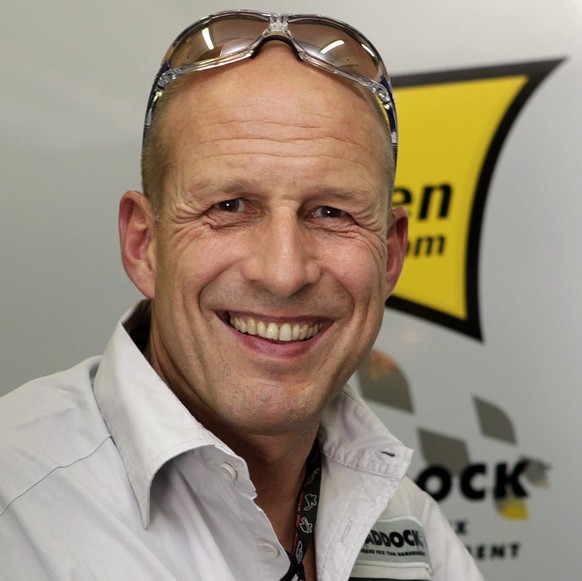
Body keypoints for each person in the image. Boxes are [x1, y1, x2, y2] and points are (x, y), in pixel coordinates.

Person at [0, 10, 484, 581]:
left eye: (330, 212)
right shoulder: (15, 502)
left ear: (391, 255)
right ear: (144, 245)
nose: (283, 273)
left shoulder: (411, 523)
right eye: (229, 207)